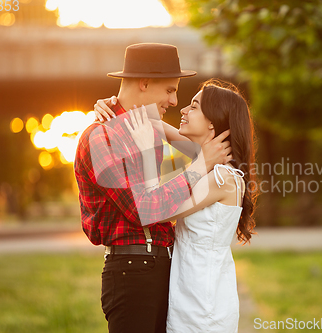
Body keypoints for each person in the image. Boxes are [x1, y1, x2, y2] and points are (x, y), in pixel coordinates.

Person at [74, 43, 232, 333]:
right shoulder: (103, 137)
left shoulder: (146, 128)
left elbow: (206, 151)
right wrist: (199, 167)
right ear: (144, 83)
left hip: (158, 268)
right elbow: (144, 209)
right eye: (170, 90)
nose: (174, 102)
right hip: (133, 270)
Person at [94, 79, 257, 332]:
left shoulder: (221, 177)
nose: (181, 109)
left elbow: (157, 212)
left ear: (212, 122)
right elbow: (145, 120)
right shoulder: (208, 162)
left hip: (202, 303)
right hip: (190, 292)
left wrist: (148, 152)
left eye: (193, 106)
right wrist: (112, 106)